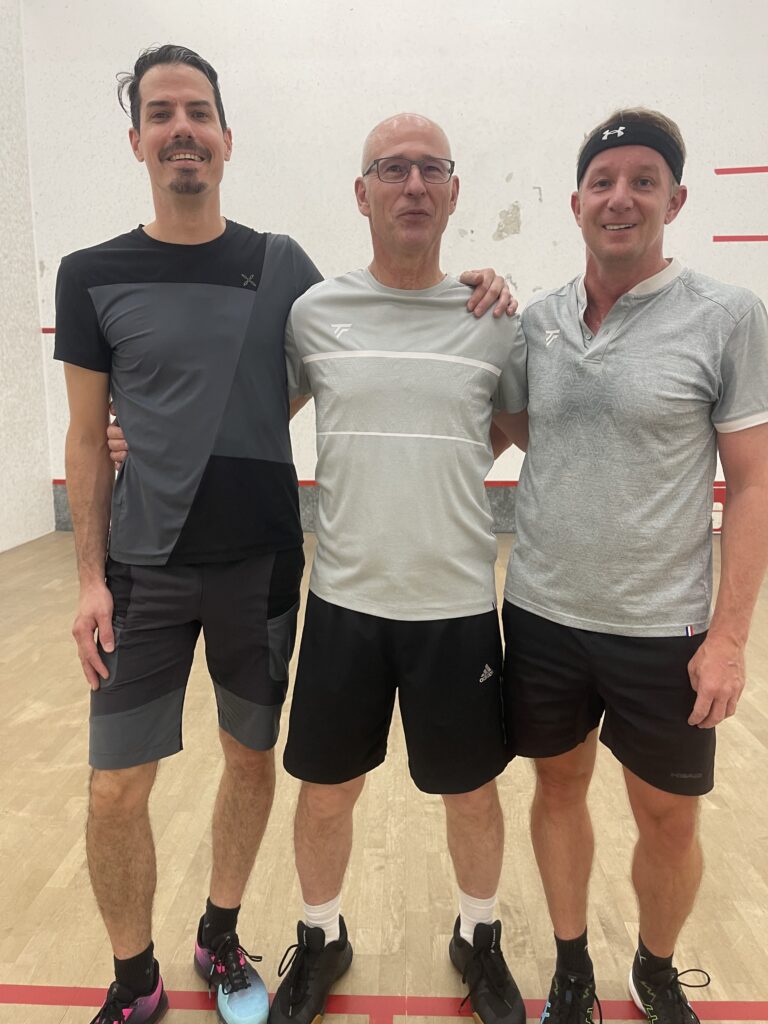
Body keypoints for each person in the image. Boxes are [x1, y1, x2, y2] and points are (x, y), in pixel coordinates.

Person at [57, 45, 513, 1024]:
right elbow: (113, 429)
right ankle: (177, 970)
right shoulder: (113, 277)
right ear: (136, 138)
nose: (182, 129)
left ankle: (253, 936)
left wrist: (491, 290)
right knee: (140, 789)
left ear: (227, 137)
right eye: (161, 113)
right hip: (198, 579)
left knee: (291, 768)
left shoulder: (318, 276)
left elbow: (470, 408)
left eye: (198, 112)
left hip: (313, 576)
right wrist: (95, 558)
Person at [498, 109, 768, 1024]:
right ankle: (572, 966)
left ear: (675, 200)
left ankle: (654, 965)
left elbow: (754, 483)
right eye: (603, 182)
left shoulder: (727, 317)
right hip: (542, 613)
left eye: (643, 181)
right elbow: (513, 428)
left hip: (665, 630)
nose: (621, 198)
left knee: (669, 818)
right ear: (576, 202)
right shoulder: (537, 322)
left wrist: (729, 637)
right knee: (558, 788)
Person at [267, 113, 529, 1024]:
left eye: (430, 169)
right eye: (391, 169)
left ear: (453, 192)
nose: (412, 185)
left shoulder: (494, 319)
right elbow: (251, 412)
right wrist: (136, 433)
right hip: (344, 600)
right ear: (362, 192)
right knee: (325, 792)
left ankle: (478, 937)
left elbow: (520, 428)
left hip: (456, 606)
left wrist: (444, 461)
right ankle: (321, 938)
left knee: (472, 793)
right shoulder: (315, 313)